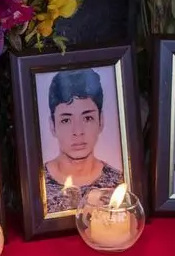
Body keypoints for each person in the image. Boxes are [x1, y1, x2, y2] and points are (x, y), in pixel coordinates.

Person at [43, 69, 123, 214]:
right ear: (52, 125)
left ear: (101, 121)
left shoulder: (119, 183)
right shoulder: (36, 187)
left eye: (87, 118)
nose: (78, 131)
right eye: (66, 120)